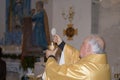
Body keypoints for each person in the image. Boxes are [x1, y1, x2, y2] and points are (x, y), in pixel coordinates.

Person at [44, 34, 111, 80]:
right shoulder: (103, 65)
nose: (80, 46)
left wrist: (51, 56)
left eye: (83, 44)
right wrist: (61, 44)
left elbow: (57, 73)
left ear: (88, 48)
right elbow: (77, 57)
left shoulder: (86, 71)